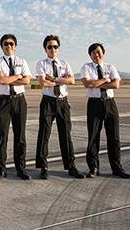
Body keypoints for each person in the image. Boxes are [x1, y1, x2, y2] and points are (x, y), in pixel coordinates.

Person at [35, 35, 85, 179]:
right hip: (48, 102)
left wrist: (55, 79)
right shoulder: (41, 64)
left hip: (63, 102)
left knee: (66, 135)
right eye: (49, 47)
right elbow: (43, 83)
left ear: (58, 48)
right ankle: (43, 167)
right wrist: (60, 81)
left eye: (55, 46)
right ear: (45, 49)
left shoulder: (64, 63)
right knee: (44, 134)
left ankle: (71, 166)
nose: (52, 49)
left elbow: (72, 80)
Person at [81, 43, 130, 179]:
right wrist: (105, 79)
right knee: (93, 137)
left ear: (103, 52)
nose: (96, 55)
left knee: (114, 137)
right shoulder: (86, 67)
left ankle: (117, 168)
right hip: (94, 104)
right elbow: (88, 84)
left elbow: (116, 84)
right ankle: (93, 168)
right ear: (90, 55)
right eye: (93, 53)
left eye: (98, 52)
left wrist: (96, 83)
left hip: (110, 104)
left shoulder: (111, 67)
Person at [0, 34, 31, 180]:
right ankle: (1, 170)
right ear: (2, 46)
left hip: (19, 101)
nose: (9, 46)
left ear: (15, 46)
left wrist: (9, 79)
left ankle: (21, 168)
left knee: (20, 136)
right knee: (2, 136)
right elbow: (1, 80)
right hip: (3, 102)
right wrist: (17, 76)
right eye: (5, 44)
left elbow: (27, 81)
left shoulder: (22, 61)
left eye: (11, 44)